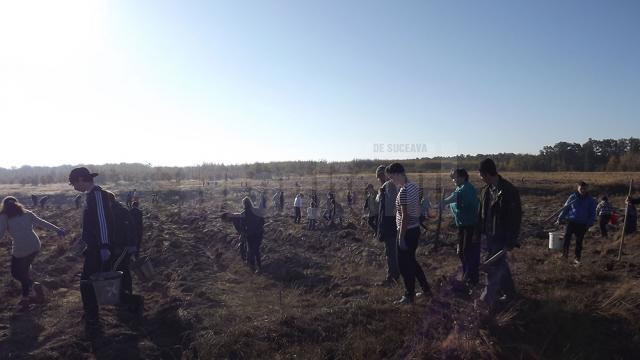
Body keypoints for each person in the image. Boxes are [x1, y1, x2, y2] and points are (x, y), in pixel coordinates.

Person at [68, 167, 139, 332]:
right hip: (95, 247)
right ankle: (93, 316)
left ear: (80, 179)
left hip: (100, 248)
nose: (73, 187)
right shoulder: (91, 196)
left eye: (73, 183)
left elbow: (103, 222)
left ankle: (95, 318)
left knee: (89, 283)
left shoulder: (97, 195)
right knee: (95, 282)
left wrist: (105, 246)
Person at [0, 197, 65, 305]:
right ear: (17, 203)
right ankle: (25, 298)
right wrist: (58, 229)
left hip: (20, 248)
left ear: (4, 206)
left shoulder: (4, 216)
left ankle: (33, 285)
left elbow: (0, 234)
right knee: (24, 272)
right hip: (35, 245)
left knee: (16, 273)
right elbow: (42, 222)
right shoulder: (26, 212)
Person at [477, 159, 521, 310]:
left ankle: (486, 299)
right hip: (488, 236)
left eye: (481, 174)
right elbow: (481, 215)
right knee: (500, 265)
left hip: (501, 237)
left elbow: (515, 218)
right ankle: (510, 294)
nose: (480, 177)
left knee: (493, 267)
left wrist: (511, 240)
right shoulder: (485, 191)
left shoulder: (509, 191)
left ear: (487, 173)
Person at [386, 163, 431, 304]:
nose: (392, 181)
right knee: (412, 262)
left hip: (407, 230)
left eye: (392, 177)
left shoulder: (404, 190)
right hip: (414, 228)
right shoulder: (414, 187)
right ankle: (426, 289)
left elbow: (405, 215)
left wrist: (401, 236)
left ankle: (409, 295)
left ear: (399, 174)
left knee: (404, 265)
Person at [442, 169, 480, 287]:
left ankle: (471, 278)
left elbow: (459, 202)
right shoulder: (460, 188)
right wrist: (443, 203)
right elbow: (453, 199)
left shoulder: (466, 189)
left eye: (455, 177)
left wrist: (444, 204)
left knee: (468, 252)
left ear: (463, 177)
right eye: (452, 178)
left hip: (470, 225)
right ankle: (467, 275)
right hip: (462, 225)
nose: (454, 180)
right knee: (462, 252)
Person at [222, 197, 266, 273]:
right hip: (259, 233)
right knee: (256, 250)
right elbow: (263, 221)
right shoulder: (256, 210)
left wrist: (229, 215)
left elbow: (236, 217)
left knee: (251, 251)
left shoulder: (244, 213)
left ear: (244, 204)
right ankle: (259, 267)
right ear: (250, 202)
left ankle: (253, 268)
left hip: (250, 234)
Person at [557, 182, 596, 264]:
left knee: (579, 241)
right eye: (581, 188)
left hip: (582, 224)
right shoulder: (572, 197)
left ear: (587, 189)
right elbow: (565, 208)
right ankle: (564, 255)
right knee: (567, 239)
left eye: (584, 188)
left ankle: (577, 258)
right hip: (571, 221)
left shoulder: (590, 200)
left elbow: (592, 212)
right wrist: (560, 218)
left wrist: (590, 223)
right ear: (578, 188)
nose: (582, 190)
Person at [375, 165, 400, 286]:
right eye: (378, 177)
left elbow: (392, 206)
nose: (379, 179)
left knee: (391, 252)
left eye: (380, 176)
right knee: (390, 251)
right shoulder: (385, 186)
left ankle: (393, 278)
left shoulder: (389, 185)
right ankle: (394, 276)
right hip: (388, 223)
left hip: (390, 224)